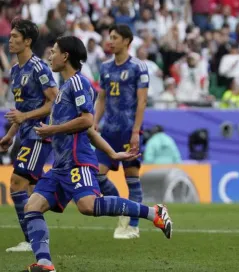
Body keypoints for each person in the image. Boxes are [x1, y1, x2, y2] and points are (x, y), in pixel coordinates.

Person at [22, 36, 172, 272]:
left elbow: (87, 120)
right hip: (60, 166)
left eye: (54, 52)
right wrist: (112, 152)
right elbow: (91, 130)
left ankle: (155, 213)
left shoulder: (79, 83)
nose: (50, 56)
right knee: (32, 207)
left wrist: (51, 129)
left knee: (88, 206)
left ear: (66, 56)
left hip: (77, 161)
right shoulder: (64, 88)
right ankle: (44, 263)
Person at [2, 19, 57, 253]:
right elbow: (20, 109)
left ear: (28, 41)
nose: (10, 40)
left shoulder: (39, 68)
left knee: (16, 183)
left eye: (15, 36)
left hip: (38, 133)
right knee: (32, 190)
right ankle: (37, 238)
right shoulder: (15, 70)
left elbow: (53, 101)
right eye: (10, 35)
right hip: (25, 134)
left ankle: (30, 240)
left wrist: (25, 118)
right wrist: (11, 135)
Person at [93, 24, 149, 239]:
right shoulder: (105, 67)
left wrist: (136, 131)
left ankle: (133, 226)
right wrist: (95, 122)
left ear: (126, 41)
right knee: (96, 174)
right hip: (108, 131)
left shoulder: (138, 67)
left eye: (115, 37)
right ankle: (120, 208)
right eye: (110, 37)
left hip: (129, 130)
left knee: (131, 177)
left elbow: (142, 101)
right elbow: (102, 97)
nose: (110, 41)